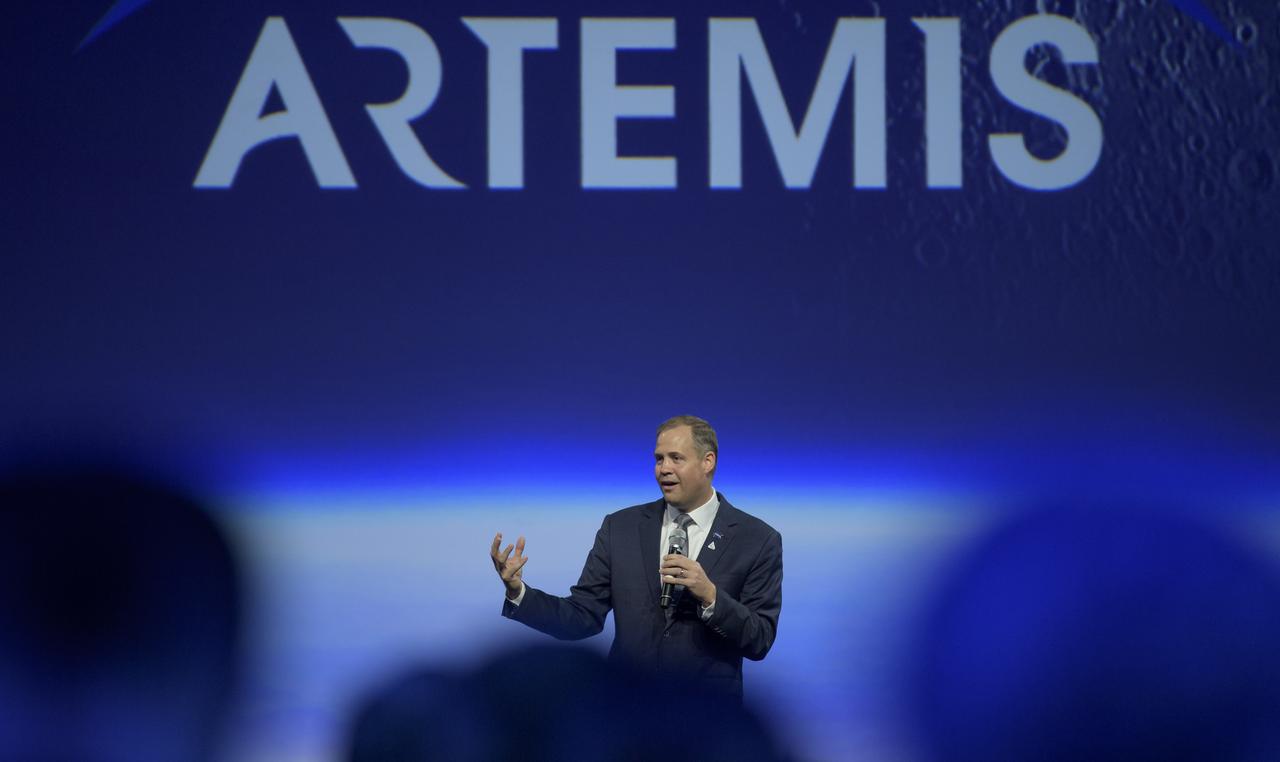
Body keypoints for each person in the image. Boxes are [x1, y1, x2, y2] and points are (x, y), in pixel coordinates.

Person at [489, 415, 782, 699]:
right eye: (658, 458)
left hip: (710, 721)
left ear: (708, 462)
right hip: (628, 716)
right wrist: (519, 593)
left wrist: (710, 596)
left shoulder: (756, 539)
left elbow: (760, 640)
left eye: (676, 458)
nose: (663, 469)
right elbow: (581, 617)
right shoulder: (621, 528)